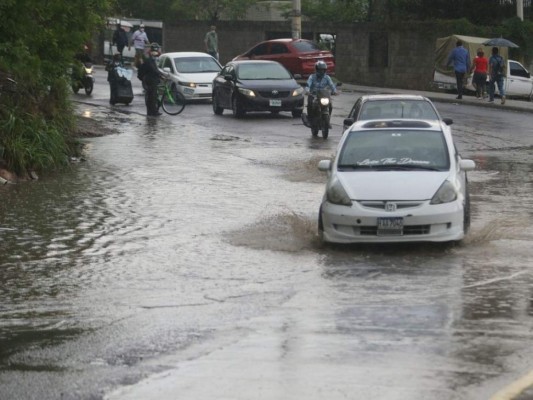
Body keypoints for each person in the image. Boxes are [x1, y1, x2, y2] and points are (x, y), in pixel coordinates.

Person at [138, 43, 165, 116]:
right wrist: (160, 75)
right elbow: (153, 70)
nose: (155, 55)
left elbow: (156, 69)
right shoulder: (149, 60)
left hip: (152, 80)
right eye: (154, 54)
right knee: (151, 97)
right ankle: (152, 112)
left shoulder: (152, 60)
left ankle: (153, 111)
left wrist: (160, 75)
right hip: (149, 80)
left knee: (153, 96)